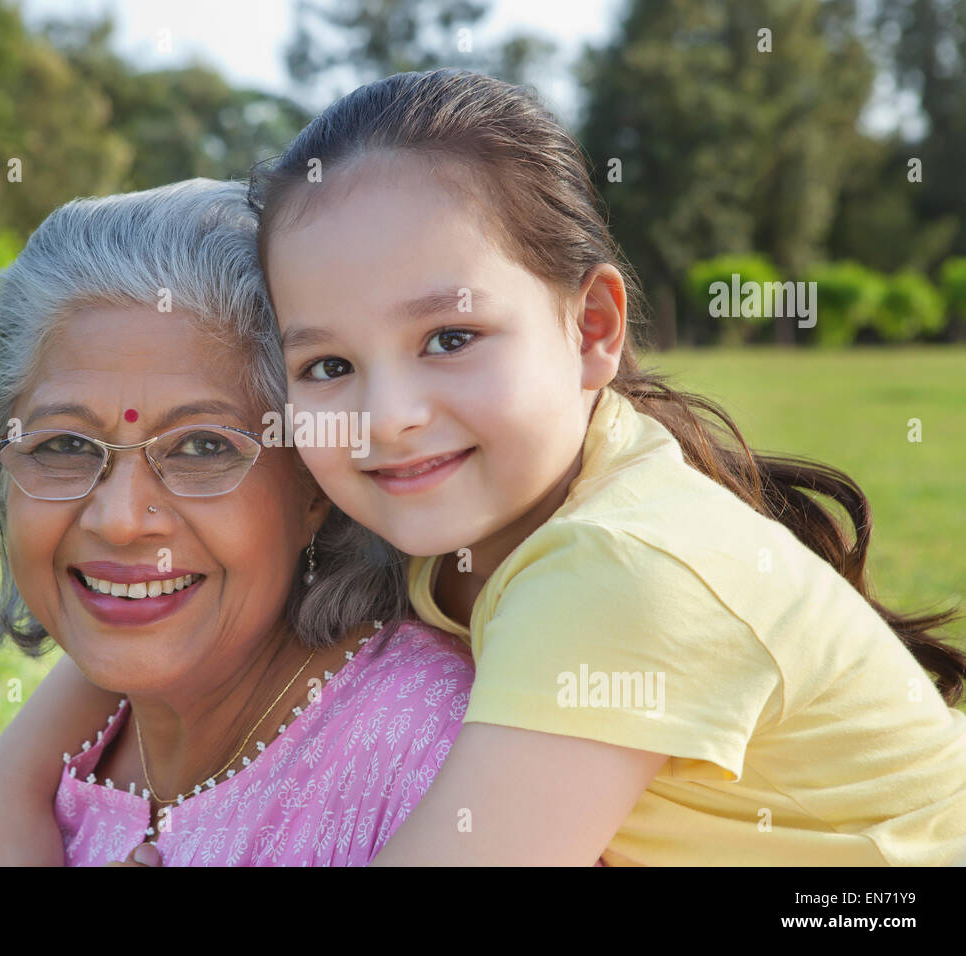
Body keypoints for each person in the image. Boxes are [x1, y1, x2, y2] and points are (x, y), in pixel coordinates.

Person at [251, 69, 966, 865]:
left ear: (593, 327)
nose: (387, 416)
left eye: (450, 339)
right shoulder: (477, 513)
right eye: (327, 365)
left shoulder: (615, 566)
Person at [0, 178, 474, 866]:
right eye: (64, 446)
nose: (121, 521)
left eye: (202, 448)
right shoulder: (64, 759)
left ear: (313, 483)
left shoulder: (434, 754)